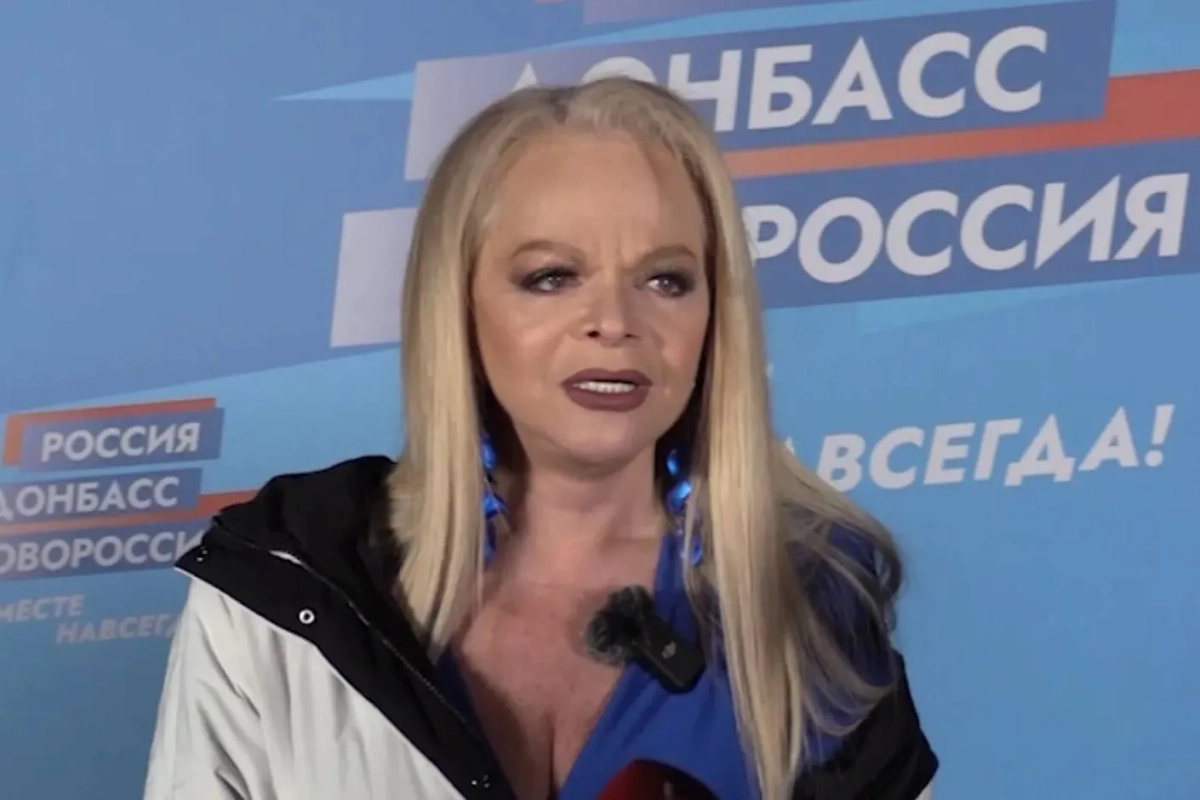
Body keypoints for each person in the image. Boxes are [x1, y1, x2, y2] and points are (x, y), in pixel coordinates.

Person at [142, 77, 938, 800]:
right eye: (552, 276)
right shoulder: (287, 579)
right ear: (460, 307)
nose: (616, 322)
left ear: (714, 315)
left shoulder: (809, 599)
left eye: (666, 279)